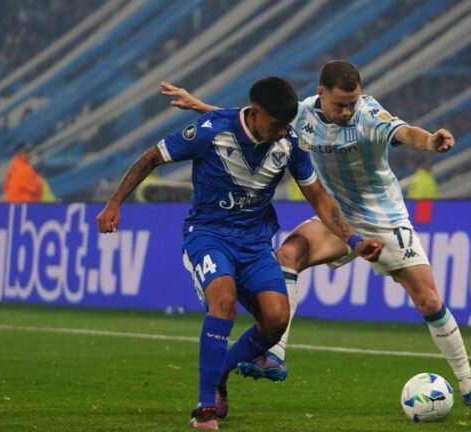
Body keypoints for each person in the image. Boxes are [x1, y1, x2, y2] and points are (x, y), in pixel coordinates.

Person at [161, 60, 471, 419]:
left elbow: (405, 133)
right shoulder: (302, 114)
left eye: (352, 102)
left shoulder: (369, 116)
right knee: (287, 255)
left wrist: (430, 141)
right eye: (340, 104)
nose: (347, 110)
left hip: (385, 219)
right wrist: (199, 106)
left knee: (429, 301)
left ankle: (469, 388)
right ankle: (275, 354)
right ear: (320, 92)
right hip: (336, 217)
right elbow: (254, 120)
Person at [97, 76, 382, 430]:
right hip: (209, 236)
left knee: (276, 320)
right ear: (256, 113)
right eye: (277, 125)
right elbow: (152, 157)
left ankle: (220, 374)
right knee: (224, 300)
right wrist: (114, 203)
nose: (282, 132)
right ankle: (204, 407)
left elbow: (320, 199)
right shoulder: (211, 131)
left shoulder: (289, 142)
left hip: (254, 244)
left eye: (286, 125)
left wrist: (354, 241)